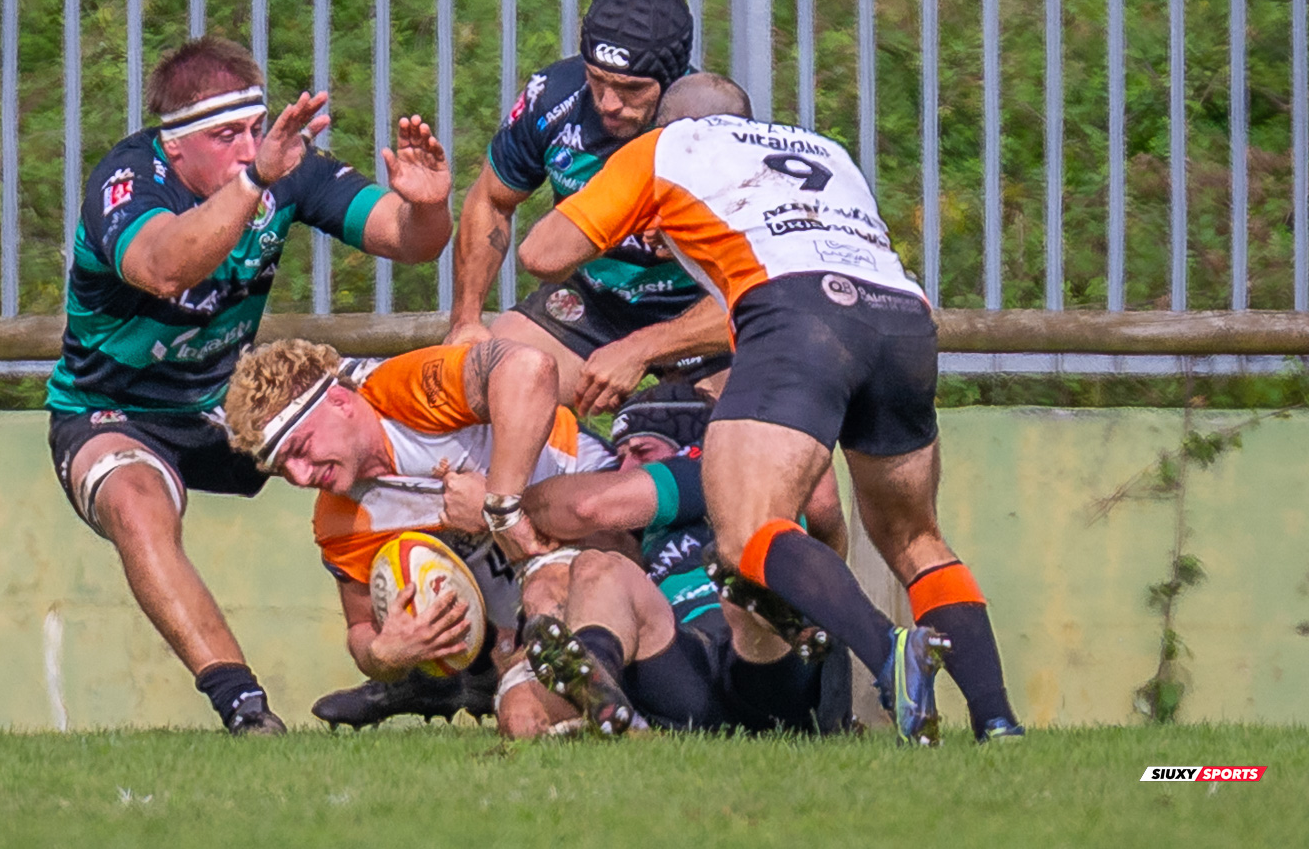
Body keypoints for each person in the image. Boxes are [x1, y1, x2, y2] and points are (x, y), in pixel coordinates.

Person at [518, 75, 1024, 745]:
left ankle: (888, 652)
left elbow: (542, 253)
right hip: (902, 318)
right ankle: (997, 719)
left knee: (748, 530)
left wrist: (638, 213)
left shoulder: (667, 148)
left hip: (797, 318)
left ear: (670, 123)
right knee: (914, 537)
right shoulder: (824, 149)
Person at [45, 37, 451, 734]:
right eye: (225, 134)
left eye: (255, 128)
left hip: (228, 402)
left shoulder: (280, 165)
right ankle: (245, 707)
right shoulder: (129, 180)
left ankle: (440, 658)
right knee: (137, 505)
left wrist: (428, 208)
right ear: (175, 144)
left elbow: (407, 239)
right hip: (113, 408)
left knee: (373, 425)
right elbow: (165, 267)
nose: (248, 146)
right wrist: (255, 180)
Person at [221, 338, 615, 712]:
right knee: (524, 715)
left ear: (339, 401)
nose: (300, 475)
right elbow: (360, 629)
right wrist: (384, 655)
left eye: (300, 449)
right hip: (527, 612)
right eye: (281, 468)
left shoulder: (404, 389)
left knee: (579, 580)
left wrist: (499, 507)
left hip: (593, 503)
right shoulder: (341, 521)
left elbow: (529, 367)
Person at [445, 0, 730, 416]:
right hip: (594, 300)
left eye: (632, 89)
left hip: (698, 307)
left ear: (672, 81)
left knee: (755, 428)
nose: (609, 103)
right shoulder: (552, 98)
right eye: (597, 80)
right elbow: (491, 200)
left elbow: (760, 286)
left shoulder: (714, 123)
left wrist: (640, 350)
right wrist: (465, 321)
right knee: (480, 379)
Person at [514, 378, 853, 738]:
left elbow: (584, 506)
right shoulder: (648, 526)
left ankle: (778, 613)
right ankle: (595, 678)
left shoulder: (720, 470)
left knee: (741, 580)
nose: (625, 469)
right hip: (692, 673)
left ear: (691, 447)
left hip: (780, 673)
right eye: (621, 456)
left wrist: (503, 506)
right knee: (596, 567)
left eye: (642, 452)